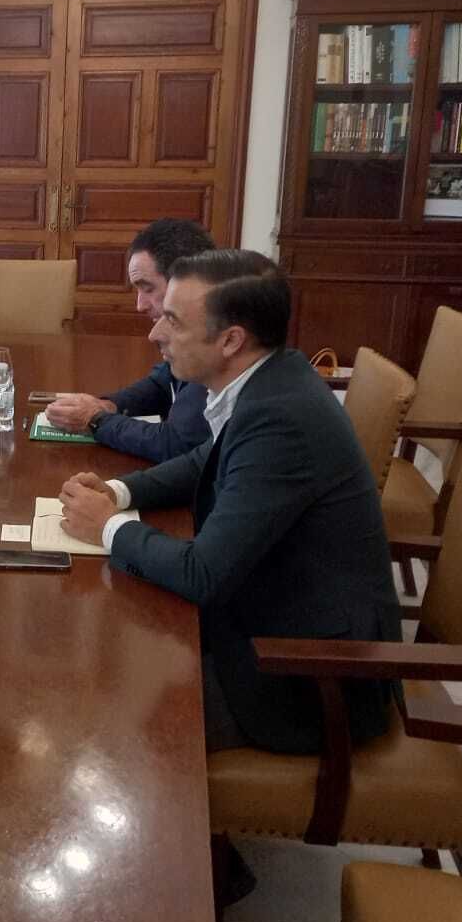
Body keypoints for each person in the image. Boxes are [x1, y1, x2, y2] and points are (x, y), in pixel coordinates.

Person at [57, 249, 400, 756]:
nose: (155, 334)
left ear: (231, 340)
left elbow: (203, 575)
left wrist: (109, 527)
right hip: (275, 617)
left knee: (109, 728)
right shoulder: (272, 378)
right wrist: (120, 491)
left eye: (172, 321)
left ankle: (192, 833)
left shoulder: (281, 420)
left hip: (309, 677)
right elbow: (206, 459)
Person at [44, 218, 215, 462]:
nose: (139, 305)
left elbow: (176, 444)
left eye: (147, 289)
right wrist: (108, 406)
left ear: (186, 283)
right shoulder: (192, 329)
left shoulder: (213, 340)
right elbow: (162, 383)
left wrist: (96, 420)